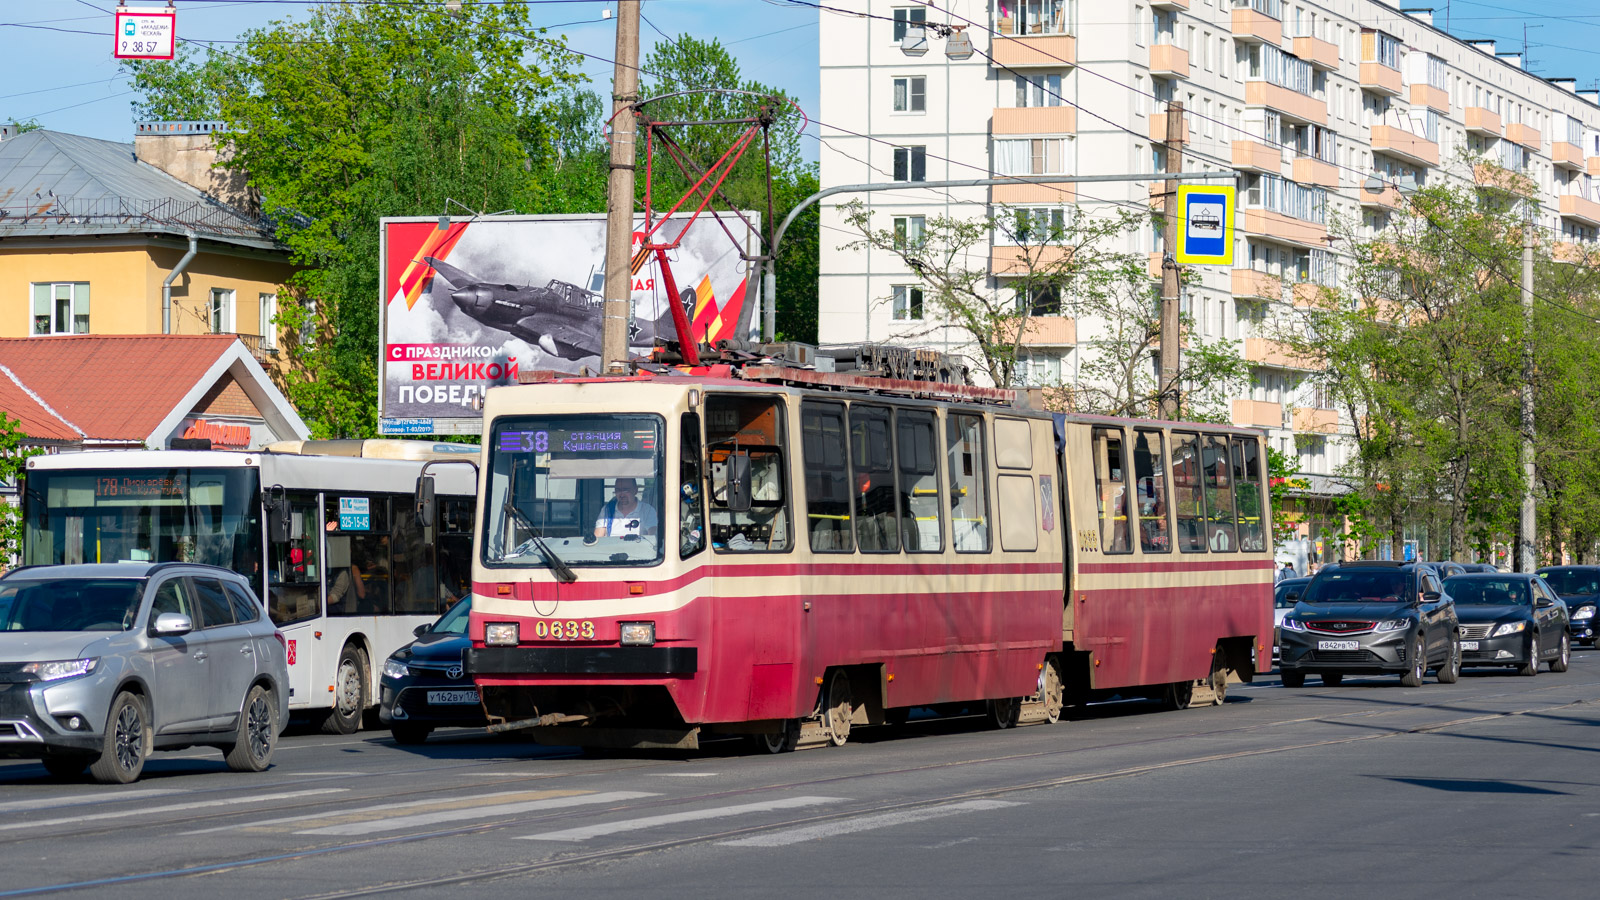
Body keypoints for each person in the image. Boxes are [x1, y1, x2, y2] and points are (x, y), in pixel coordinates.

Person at [594, 477, 658, 538]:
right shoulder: (607, 510)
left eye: (625, 490)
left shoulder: (647, 510)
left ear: (635, 490)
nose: (622, 495)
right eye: (618, 490)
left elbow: (653, 537)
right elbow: (598, 537)